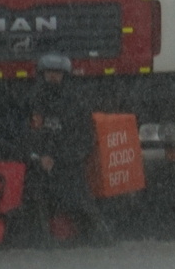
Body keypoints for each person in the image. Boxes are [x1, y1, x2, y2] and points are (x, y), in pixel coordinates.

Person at [25, 53, 111, 244]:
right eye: (49, 72)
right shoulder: (33, 101)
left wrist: (60, 158)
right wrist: (39, 157)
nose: (53, 77)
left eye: (57, 73)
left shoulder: (76, 103)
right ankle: (42, 240)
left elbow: (83, 139)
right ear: (42, 74)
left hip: (69, 165)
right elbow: (28, 134)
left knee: (80, 201)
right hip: (38, 165)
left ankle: (100, 238)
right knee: (33, 200)